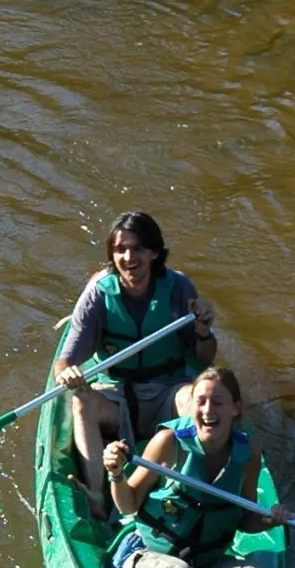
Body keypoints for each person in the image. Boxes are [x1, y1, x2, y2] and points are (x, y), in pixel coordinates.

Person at [102, 366, 285, 568]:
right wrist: (115, 473)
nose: (208, 410)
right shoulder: (168, 442)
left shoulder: (248, 454)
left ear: (235, 408)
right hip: (150, 556)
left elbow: (244, 519)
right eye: (201, 401)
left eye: (218, 402)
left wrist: (269, 519)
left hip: (208, 563)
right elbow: (128, 505)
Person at [55, 212, 218, 516]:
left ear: (154, 252)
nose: (128, 257)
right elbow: (65, 361)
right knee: (81, 403)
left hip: (168, 389)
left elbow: (204, 358)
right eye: (120, 249)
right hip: (118, 395)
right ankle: (96, 494)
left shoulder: (178, 287)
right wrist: (67, 373)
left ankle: (202, 490)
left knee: (197, 400)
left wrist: (203, 330)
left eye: (137, 248)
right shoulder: (99, 294)